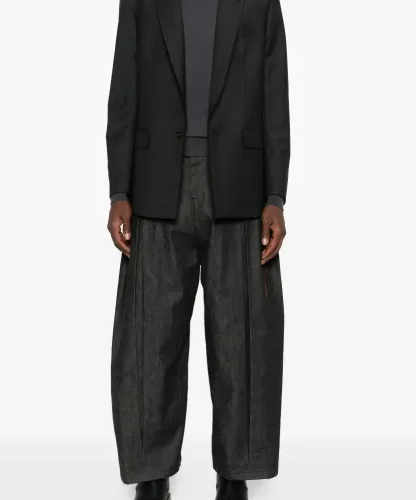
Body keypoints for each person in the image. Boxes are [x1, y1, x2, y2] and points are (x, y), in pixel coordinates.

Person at [106, 0, 290, 498]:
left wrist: (275, 196)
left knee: (242, 339)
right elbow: (124, 88)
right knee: (149, 340)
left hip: (241, 185)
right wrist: (119, 189)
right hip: (155, 185)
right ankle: (151, 474)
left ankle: (235, 473)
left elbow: (275, 92)